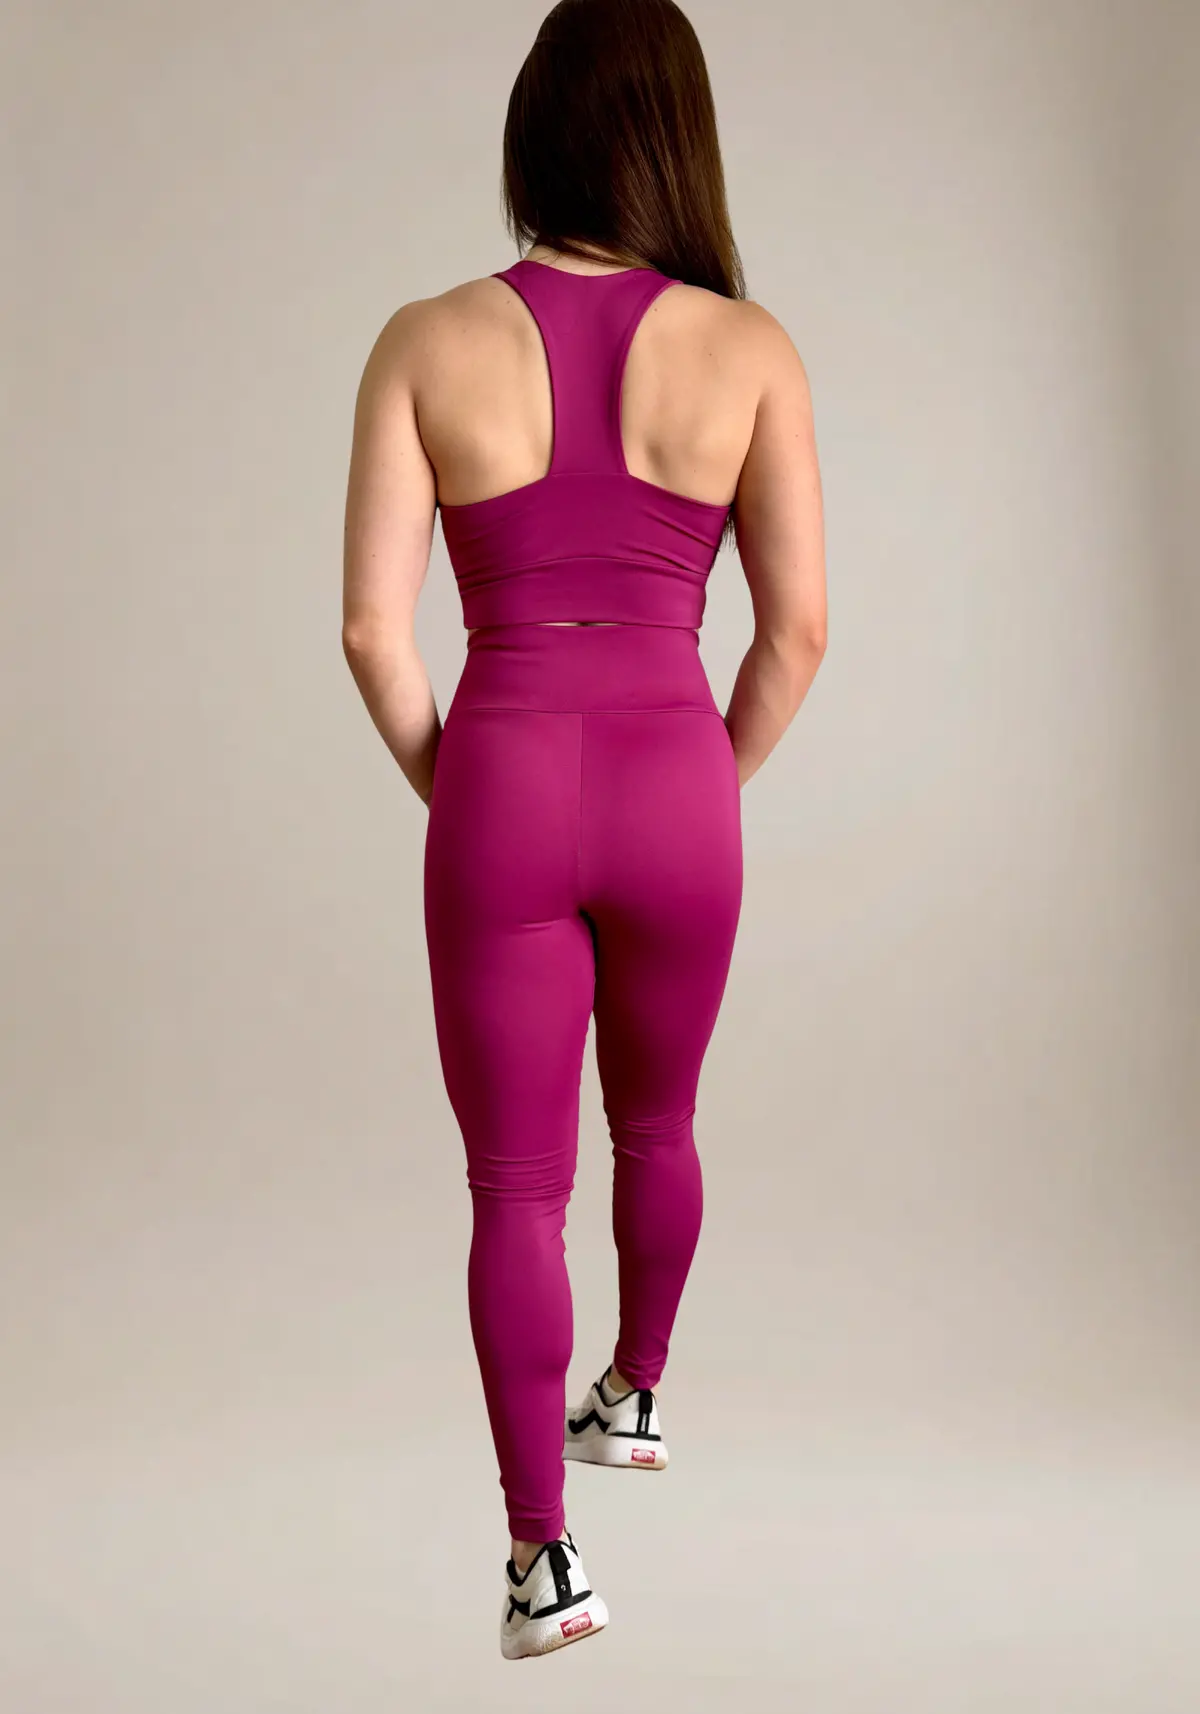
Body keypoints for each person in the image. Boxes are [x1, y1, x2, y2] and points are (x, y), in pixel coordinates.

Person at [341, 0, 826, 1660]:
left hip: (501, 771)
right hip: (679, 777)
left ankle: (542, 1560)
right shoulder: (751, 349)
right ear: (681, 138)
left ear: (532, 129)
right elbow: (797, 633)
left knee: (512, 1187)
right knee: (660, 1121)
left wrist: (471, 793)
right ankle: (637, 1390)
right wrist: (694, 786)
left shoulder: (423, 338)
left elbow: (373, 633)